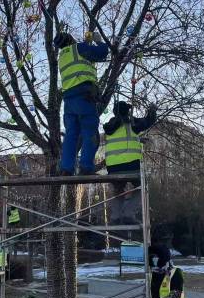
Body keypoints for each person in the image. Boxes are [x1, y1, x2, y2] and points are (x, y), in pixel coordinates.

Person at [54, 30, 109, 175]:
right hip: (84, 95)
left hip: (69, 99)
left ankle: (66, 168)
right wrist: (99, 41)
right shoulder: (78, 48)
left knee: (71, 134)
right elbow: (102, 53)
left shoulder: (62, 57)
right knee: (89, 130)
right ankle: (86, 166)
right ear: (70, 39)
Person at [103, 101, 156, 224]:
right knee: (142, 185)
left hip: (113, 167)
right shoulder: (131, 122)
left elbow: (122, 138)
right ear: (127, 111)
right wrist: (152, 110)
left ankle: (115, 216)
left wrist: (138, 139)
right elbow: (147, 121)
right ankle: (128, 213)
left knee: (118, 188)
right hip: (131, 164)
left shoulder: (109, 126)